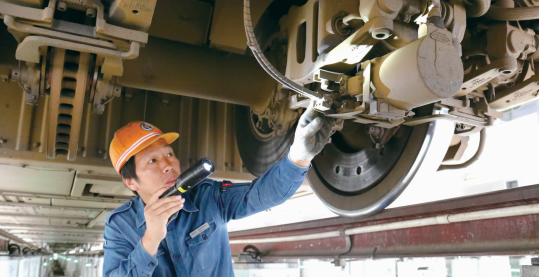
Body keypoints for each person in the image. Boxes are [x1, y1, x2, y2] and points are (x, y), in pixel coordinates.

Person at [103, 104, 335, 276]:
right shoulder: (120, 226)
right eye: (152, 161)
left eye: (169, 154)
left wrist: (299, 157)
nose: (168, 165)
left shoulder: (207, 197)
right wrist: (151, 238)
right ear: (130, 182)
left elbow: (260, 195)